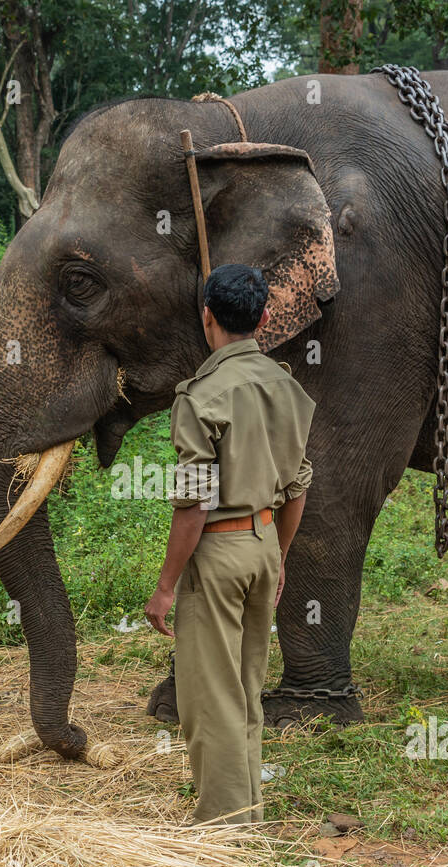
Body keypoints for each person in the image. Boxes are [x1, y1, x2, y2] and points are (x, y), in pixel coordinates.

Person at [145, 264, 315, 825]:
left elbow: (194, 503)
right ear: (266, 318)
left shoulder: (201, 396)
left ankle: (225, 830)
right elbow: (297, 485)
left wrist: (166, 586)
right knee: (245, 687)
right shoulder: (288, 387)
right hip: (266, 543)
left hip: (217, 553)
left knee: (208, 698)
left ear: (207, 317)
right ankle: (248, 813)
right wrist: (280, 556)